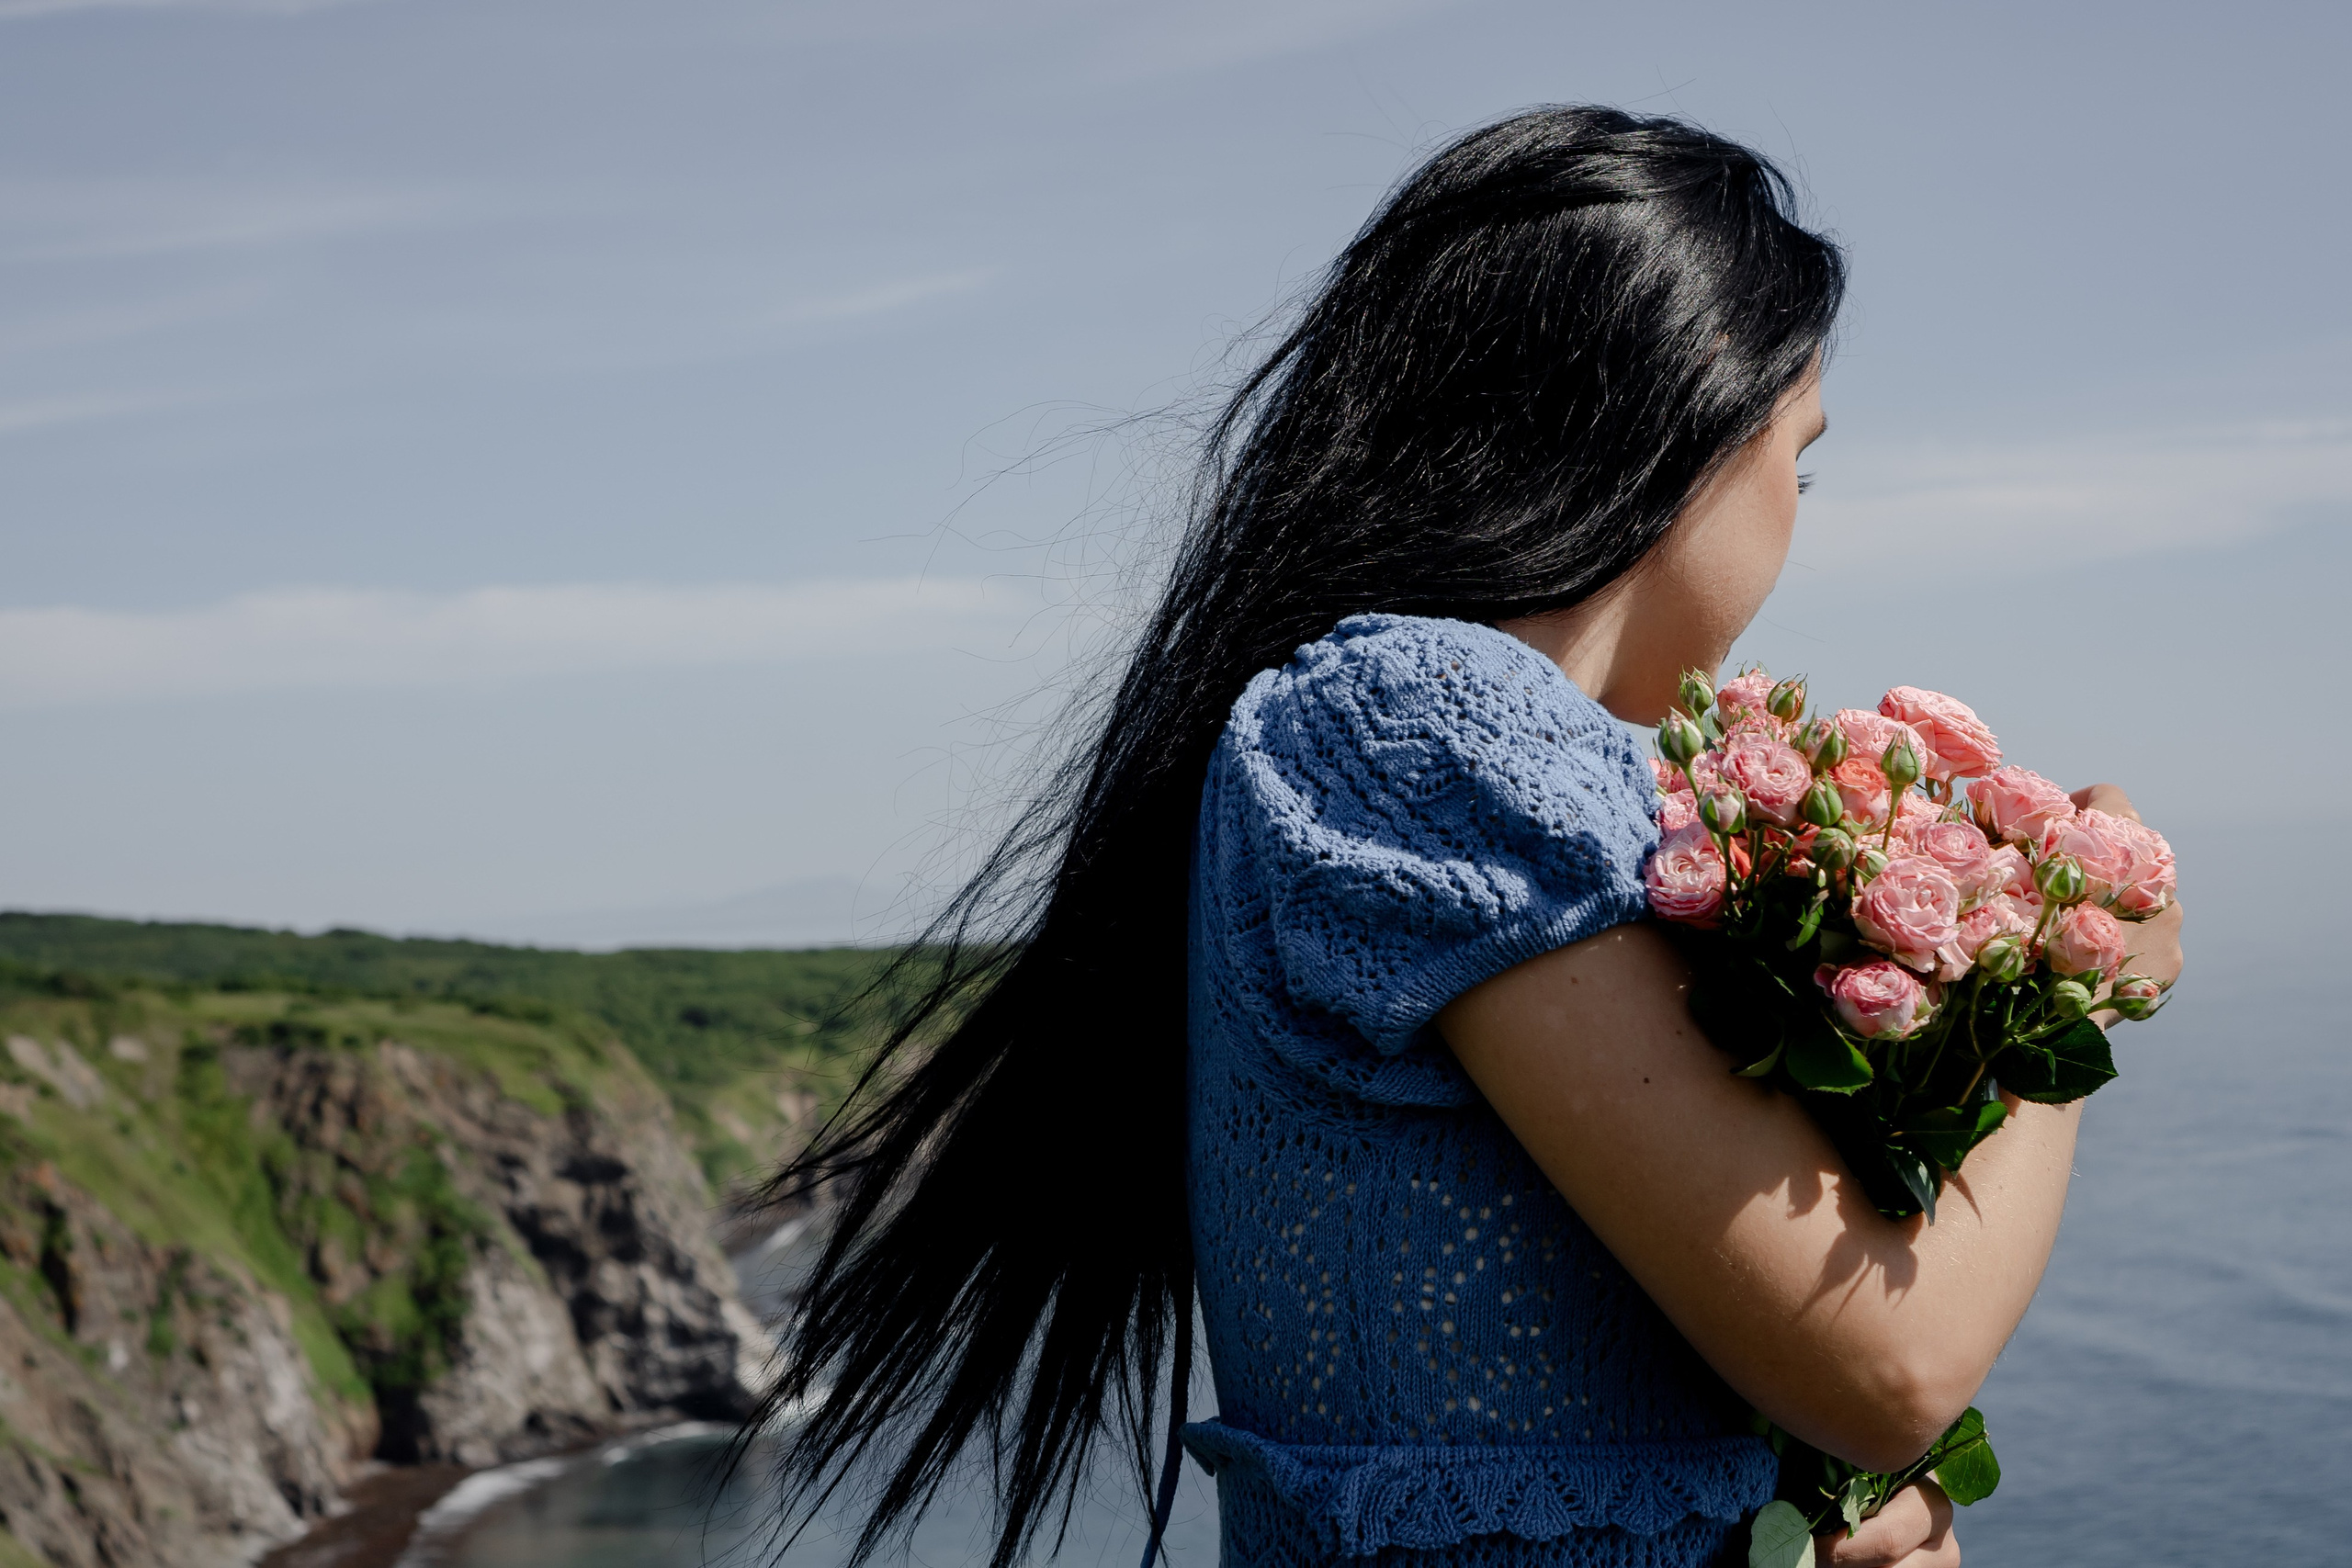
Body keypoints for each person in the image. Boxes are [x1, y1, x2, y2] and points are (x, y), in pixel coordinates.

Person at [755, 106, 2187, 1568]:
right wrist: (2075, 961)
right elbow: (1893, 1365)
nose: (1795, 520)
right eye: (1797, 461)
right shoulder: (1416, 724)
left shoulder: (1443, 750)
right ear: (1686, 417)